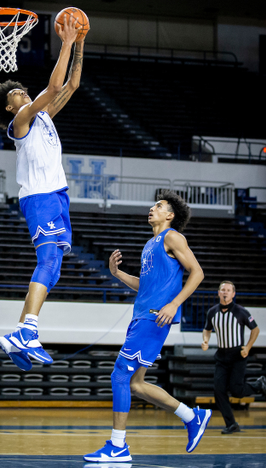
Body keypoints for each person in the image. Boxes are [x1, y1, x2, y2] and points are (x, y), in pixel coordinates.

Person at [0, 15, 86, 372]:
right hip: (40, 196)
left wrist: (80, 42)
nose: (22, 92)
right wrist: (65, 41)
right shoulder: (21, 122)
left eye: (21, 90)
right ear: (11, 108)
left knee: (54, 269)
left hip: (56, 195)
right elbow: (52, 86)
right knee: (46, 262)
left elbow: (71, 84)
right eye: (17, 94)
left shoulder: (43, 116)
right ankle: (27, 331)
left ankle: (20, 334)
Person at [84, 190, 212, 462]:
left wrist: (175, 303)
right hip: (141, 316)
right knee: (135, 384)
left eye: (159, 205)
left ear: (170, 215)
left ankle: (117, 446)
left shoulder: (172, 236)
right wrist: (118, 274)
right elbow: (145, 286)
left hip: (155, 317)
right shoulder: (150, 244)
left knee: (119, 375)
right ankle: (192, 416)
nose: (152, 208)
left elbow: (198, 272)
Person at [202, 281, 266, 434]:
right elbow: (207, 329)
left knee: (236, 390)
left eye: (228, 290)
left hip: (238, 355)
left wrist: (248, 347)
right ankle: (231, 424)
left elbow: (255, 330)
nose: (225, 292)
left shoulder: (241, 311)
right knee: (218, 390)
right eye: (222, 289)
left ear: (233, 294)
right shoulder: (212, 312)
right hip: (221, 356)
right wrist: (205, 340)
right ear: (218, 293)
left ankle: (258, 384)